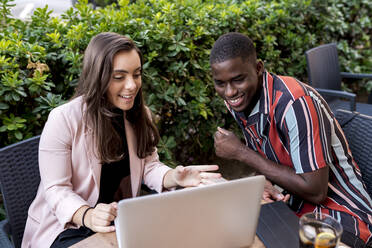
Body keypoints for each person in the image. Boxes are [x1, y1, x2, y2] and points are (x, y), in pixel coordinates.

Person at [22, 32, 221, 248]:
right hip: (67, 227)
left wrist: (174, 177)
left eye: (136, 74)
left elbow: (148, 166)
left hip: (119, 223)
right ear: (98, 77)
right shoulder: (64, 119)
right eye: (119, 77)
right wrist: (88, 215)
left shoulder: (139, 114)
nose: (132, 85)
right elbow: (56, 189)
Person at [210, 32, 372, 247]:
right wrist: (265, 182)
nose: (230, 92)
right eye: (220, 83)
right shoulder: (239, 99)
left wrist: (241, 153)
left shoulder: (295, 104)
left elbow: (316, 192)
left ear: (259, 69)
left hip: (342, 216)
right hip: (291, 205)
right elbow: (266, 149)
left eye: (238, 80)